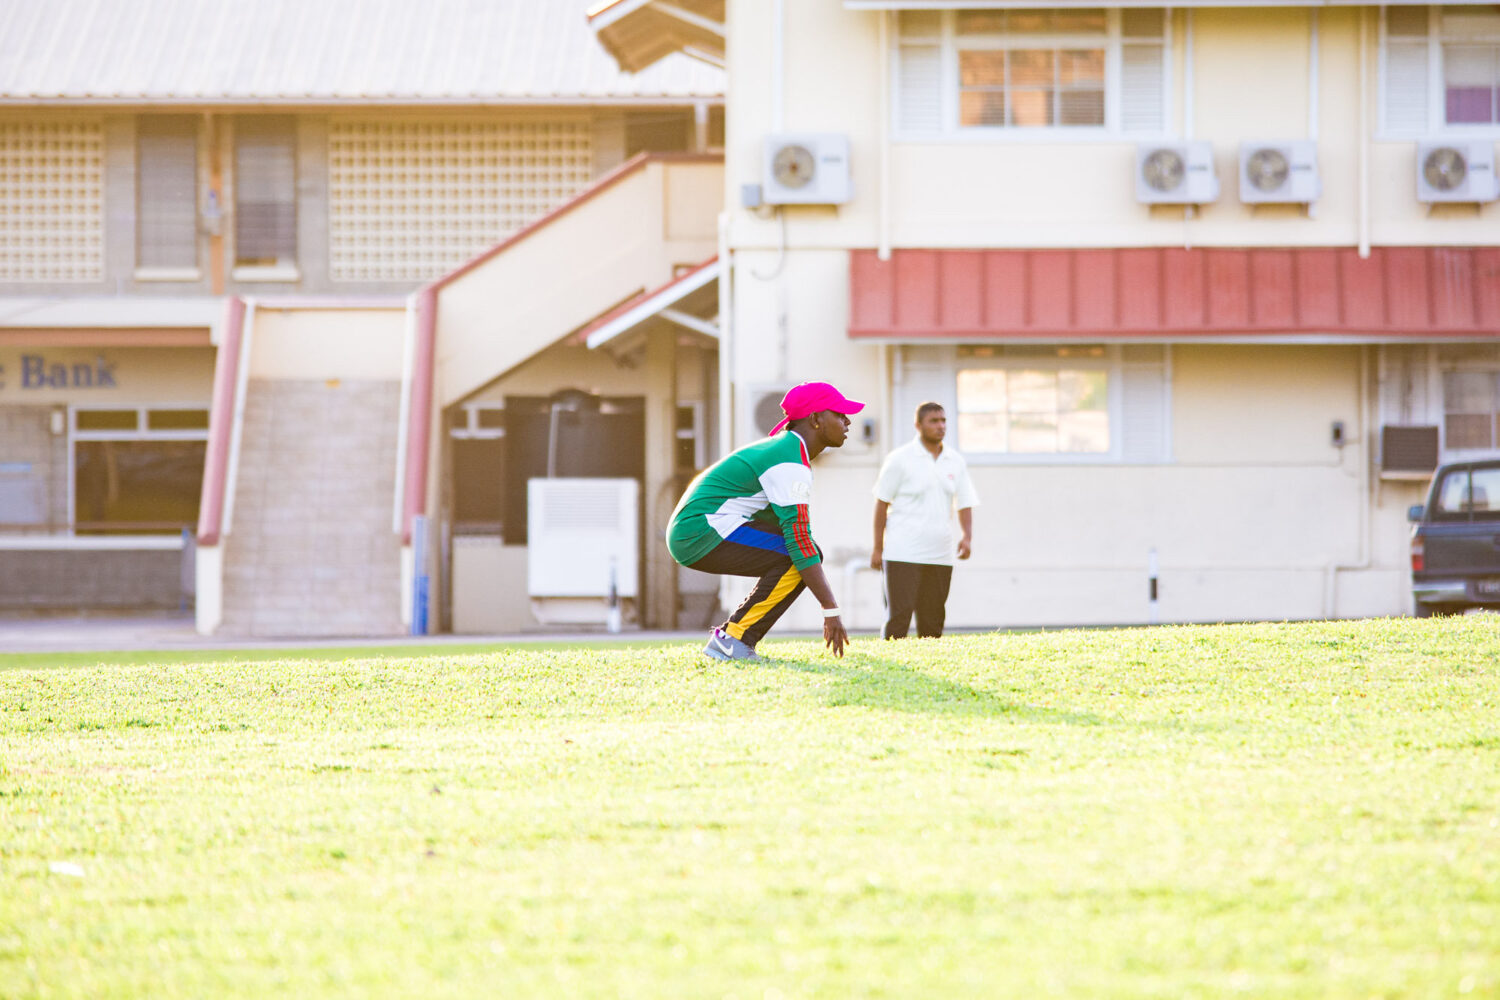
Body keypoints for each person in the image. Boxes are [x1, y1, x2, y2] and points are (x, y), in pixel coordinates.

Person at [667, 381, 865, 661]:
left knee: (802, 554)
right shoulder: (788, 461)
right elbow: (798, 539)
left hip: (697, 529)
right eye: (840, 414)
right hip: (699, 531)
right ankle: (733, 639)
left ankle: (734, 637)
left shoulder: (786, 450)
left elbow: (789, 531)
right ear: (816, 419)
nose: (848, 421)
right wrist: (831, 610)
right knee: (797, 557)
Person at [870, 401, 979, 639]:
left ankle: (930, 663)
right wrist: (878, 548)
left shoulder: (955, 461)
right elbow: (881, 503)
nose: (941, 426)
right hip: (902, 553)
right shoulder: (899, 459)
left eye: (943, 420)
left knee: (933, 622)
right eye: (934, 421)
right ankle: (890, 662)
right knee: (898, 621)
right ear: (918, 425)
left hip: (940, 554)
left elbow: (965, 502)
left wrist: (967, 537)